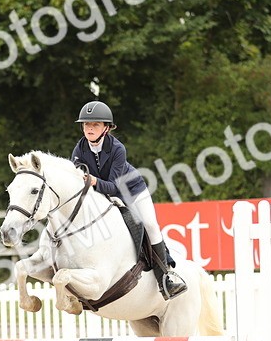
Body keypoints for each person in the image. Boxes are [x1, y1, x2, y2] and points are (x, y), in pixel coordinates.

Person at [69, 100, 187, 299]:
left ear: (106, 128)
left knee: (149, 223)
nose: (89, 128)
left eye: (95, 124)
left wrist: (93, 181)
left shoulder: (117, 149)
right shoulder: (79, 149)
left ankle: (165, 277)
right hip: (102, 195)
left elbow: (114, 186)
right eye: (86, 124)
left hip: (131, 191)